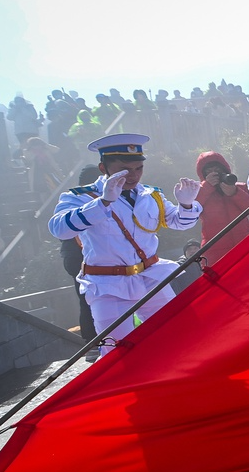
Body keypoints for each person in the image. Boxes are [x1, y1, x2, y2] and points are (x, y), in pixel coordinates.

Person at [48, 133, 202, 358]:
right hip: (108, 285)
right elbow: (59, 228)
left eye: (138, 168)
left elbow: (178, 222)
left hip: (150, 276)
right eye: (125, 169)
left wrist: (187, 205)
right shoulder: (81, 196)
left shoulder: (151, 194)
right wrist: (102, 203)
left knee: (176, 333)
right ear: (104, 168)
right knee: (117, 351)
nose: (133, 175)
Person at [60, 164, 102, 362]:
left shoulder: (73, 198)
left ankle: (92, 341)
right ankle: (94, 341)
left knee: (86, 300)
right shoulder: (78, 200)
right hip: (83, 258)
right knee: (91, 299)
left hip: (79, 258)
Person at [194, 151, 249, 266]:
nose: (214, 173)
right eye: (209, 171)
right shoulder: (198, 191)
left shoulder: (240, 188)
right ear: (203, 174)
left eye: (217, 169)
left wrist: (235, 193)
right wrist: (207, 186)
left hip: (245, 244)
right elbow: (191, 212)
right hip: (214, 251)